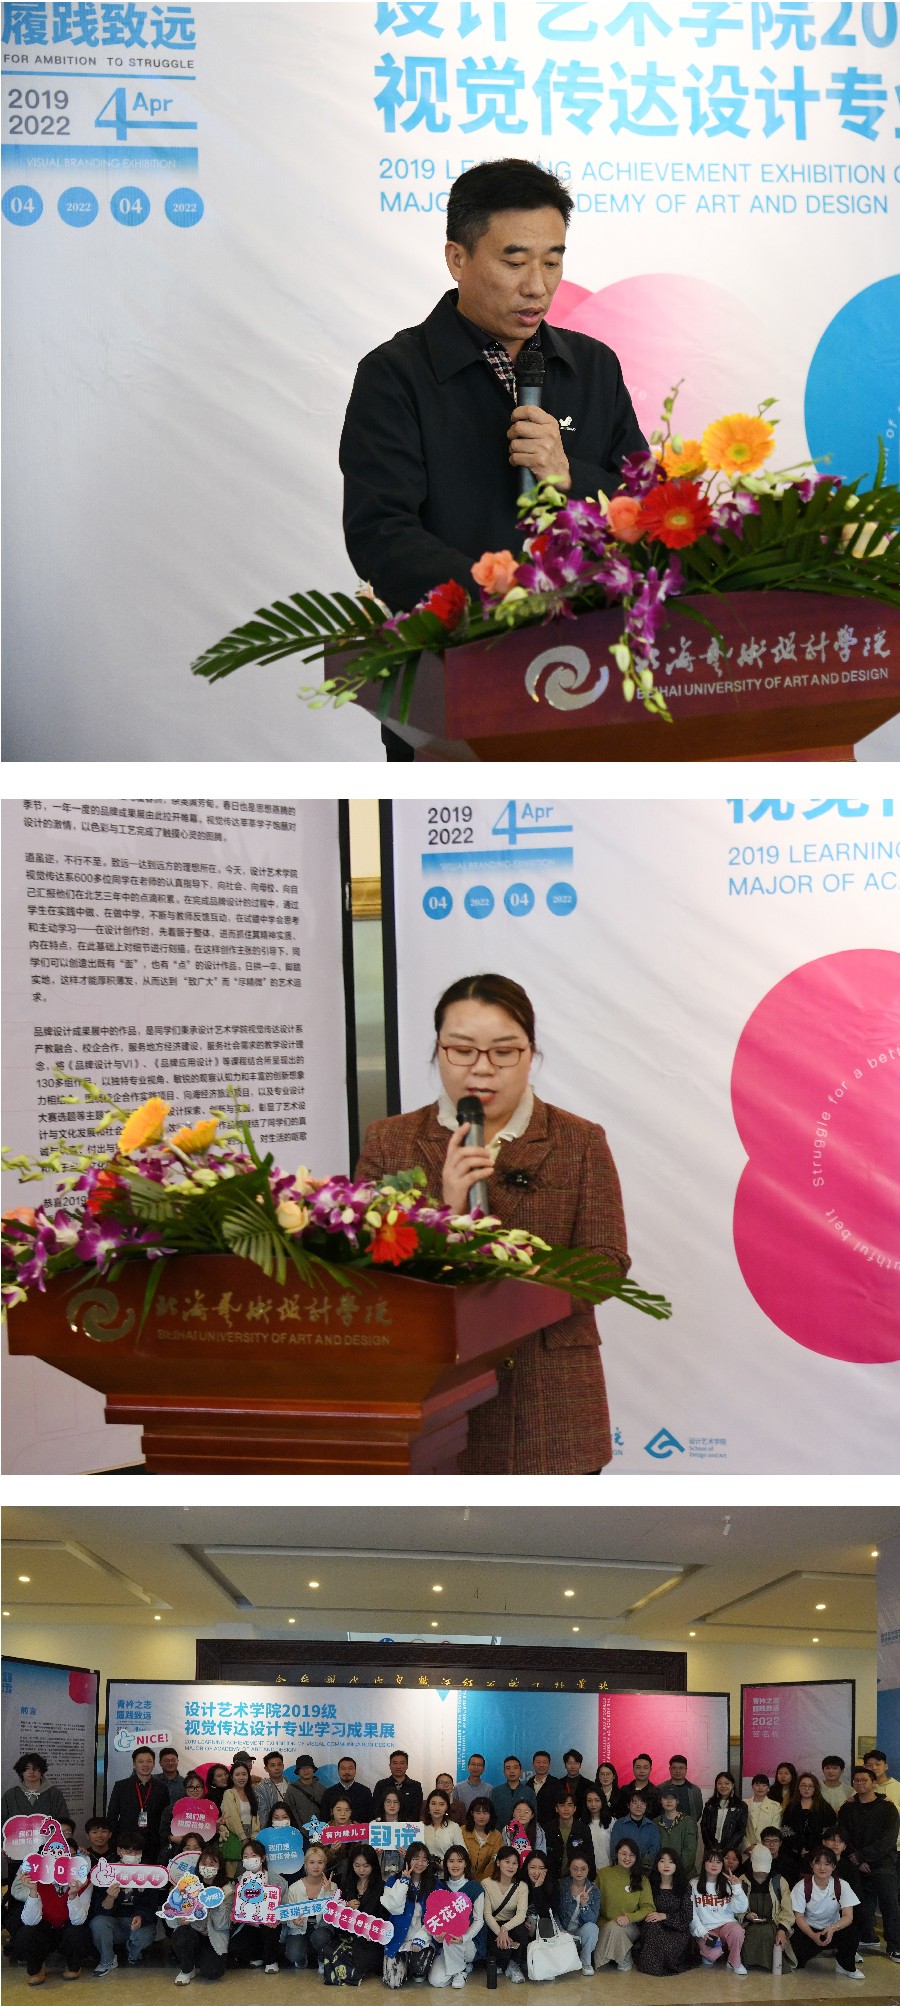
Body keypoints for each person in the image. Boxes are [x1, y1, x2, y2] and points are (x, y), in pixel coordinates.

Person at [340, 159, 645, 621]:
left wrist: (569, 476)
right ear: (457, 259)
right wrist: (505, 596)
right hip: (462, 640)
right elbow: (381, 536)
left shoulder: (594, 366)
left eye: (552, 262)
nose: (537, 286)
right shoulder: (395, 375)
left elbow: (647, 506)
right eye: (515, 263)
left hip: (591, 630)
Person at [356, 972, 630, 1473]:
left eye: (503, 1052)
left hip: (549, 1399)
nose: (481, 1069)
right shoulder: (389, 1141)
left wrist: (524, 1278)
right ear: (437, 1051)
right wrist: (446, 1210)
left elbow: (607, 1263)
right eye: (462, 1050)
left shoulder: (579, 1140)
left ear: (531, 1053)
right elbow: (370, 1264)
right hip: (432, 1394)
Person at [838, 1764, 900, 1960]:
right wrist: (857, 1858)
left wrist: (865, 1857)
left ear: (874, 1783)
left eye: (864, 1780)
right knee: (860, 1905)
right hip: (856, 1863)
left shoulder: (888, 1808)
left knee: (890, 1904)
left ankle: (895, 1945)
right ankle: (866, 1937)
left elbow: (888, 1839)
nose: (860, 1783)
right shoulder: (847, 1808)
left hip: (883, 1863)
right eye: (856, 1781)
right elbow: (844, 1836)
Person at [11, 1844, 92, 1983]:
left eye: (70, 1856)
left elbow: (78, 1920)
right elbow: (30, 1921)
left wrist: (73, 1894)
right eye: (55, 1857)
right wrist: (33, 1891)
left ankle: (73, 1965)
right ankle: (37, 1968)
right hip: (45, 1928)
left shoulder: (84, 1882)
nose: (63, 1861)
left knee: (78, 1931)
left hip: (68, 1927)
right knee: (26, 1932)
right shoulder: (37, 1879)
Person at [88, 1827, 160, 1975]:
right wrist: (110, 1897)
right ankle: (107, 1960)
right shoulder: (106, 1871)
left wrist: (140, 1916)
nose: (133, 1856)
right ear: (119, 1851)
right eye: (128, 1852)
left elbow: (150, 1905)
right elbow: (99, 1909)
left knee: (144, 1935)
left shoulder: (149, 1872)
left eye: (137, 1852)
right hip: (114, 1922)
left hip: (137, 1923)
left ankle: (133, 1953)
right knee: (98, 1923)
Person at [790, 1843, 863, 1979]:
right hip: (809, 1930)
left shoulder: (842, 1885)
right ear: (811, 1865)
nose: (822, 1868)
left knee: (852, 1931)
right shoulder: (801, 1887)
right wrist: (813, 1935)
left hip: (833, 1929)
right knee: (797, 1962)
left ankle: (845, 1965)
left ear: (833, 1866)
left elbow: (848, 1916)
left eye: (827, 1864)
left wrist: (832, 1928)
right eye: (818, 1863)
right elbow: (798, 1917)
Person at [167, 1844, 233, 1985]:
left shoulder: (227, 1889)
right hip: (192, 1933)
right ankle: (187, 1969)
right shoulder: (188, 1885)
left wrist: (218, 1902)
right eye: (203, 1863)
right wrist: (179, 1918)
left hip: (214, 1937)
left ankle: (200, 1961)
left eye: (212, 1864)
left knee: (212, 1973)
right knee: (181, 1934)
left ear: (220, 1867)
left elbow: (223, 1925)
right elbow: (170, 1921)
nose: (207, 1867)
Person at [381, 1840, 440, 1988]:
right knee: (393, 1982)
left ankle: (414, 1966)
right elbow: (393, 1908)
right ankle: (404, 1964)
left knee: (419, 1969)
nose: (419, 1863)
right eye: (415, 1858)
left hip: (423, 1936)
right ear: (407, 1859)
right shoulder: (394, 1880)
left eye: (424, 1859)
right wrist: (403, 1883)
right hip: (398, 1937)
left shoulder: (435, 1884)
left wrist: (422, 1938)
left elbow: (438, 1916)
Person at [326, 1845, 387, 1983]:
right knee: (328, 1950)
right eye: (357, 1865)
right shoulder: (345, 1884)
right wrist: (346, 1906)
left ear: (373, 1865)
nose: (361, 1870)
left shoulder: (381, 1887)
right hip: (348, 1935)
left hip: (370, 1938)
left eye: (366, 1866)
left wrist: (374, 1931)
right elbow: (334, 1912)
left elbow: (384, 1916)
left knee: (363, 1960)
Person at [428, 1844, 485, 1990]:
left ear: (466, 1864)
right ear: (445, 1864)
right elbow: (434, 1918)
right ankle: (460, 1966)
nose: (455, 1865)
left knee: (452, 1937)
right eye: (451, 1861)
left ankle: (461, 1970)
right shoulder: (440, 1887)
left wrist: (464, 1937)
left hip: (468, 1943)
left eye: (460, 1861)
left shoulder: (475, 1887)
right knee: (436, 1981)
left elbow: (479, 1920)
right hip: (446, 1944)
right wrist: (436, 1935)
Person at [689, 1842, 749, 1975]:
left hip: (726, 1925)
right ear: (704, 1864)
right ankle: (708, 1954)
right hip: (707, 1929)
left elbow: (741, 1908)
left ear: (722, 1865)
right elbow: (691, 1913)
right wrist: (702, 1932)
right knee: (712, 1956)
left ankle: (734, 1961)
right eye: (710, 1861)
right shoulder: (694, 1884)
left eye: (718, 1862)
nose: (714, 1865)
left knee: (738, 1931)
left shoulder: (728, 1884)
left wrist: (737, 1887)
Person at [633, 1847, 694, 1976]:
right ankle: (651, 1965)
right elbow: (643, 1907)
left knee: (669, 1944)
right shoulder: (649, 1884)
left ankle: (666, 1965)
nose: (666, 1865)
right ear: (656, 1864)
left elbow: (687, 1916)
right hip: (654, 1925)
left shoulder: (684, 1887)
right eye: (662, 1861)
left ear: (676, 1865)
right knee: (653, 1931)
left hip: (677, 1927)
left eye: (671, 1862)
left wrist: (665, 1916)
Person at [596, 1837, 653, 1973]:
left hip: (630, 1926)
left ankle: (622, 1957)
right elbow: (594, 1900)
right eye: (623, 1853)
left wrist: (629, 1918)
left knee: (616, 1928)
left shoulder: (642, 1879)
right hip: (604, 1924)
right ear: (616, 1853)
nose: (627, 1858)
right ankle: (623, 1953)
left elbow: (648, 1907)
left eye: (631, 1855)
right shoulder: (603, 1874)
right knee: (612, 1926)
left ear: (636, 1858)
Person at [228, 1837, 285, 1975]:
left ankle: (270, 1961)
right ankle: (257, 1955)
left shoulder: (278, 1881)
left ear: (263, 1858)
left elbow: (285, 1907)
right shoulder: (239, 1881)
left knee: (268, 1929)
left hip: (270, 1925)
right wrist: (233, 1913)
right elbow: (233, 1906)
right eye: (246, 1856)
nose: (249, 1859)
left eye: (254, 1855)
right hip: (249, 1924)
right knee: (235, 1947)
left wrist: (276, 1917)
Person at [738, 1841, 797, 1973]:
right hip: (749, 1924)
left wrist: (782, 1930)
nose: (761, 1873)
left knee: (769, 1935)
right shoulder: (742, 1880)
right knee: (748, 1935)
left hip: (773, 1924)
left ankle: (770, 1963)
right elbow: (735, 1907)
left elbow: (787, 1910)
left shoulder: (779, 1881)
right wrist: (746, 1915)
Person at [105, 1746, 169, 1862]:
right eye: (141, 1761)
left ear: (154, 1764)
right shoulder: (121, 1786)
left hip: (153, 1844)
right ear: (134, 1764)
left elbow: (165, 1817)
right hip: (127, 1844)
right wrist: (114, 1841)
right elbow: (112, 1815)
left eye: (149, 1761)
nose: (145, 1765)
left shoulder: (162, 1788)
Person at [283, 1841, 339, 1973]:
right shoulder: (294, 1887)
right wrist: (293, 1921)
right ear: (305, 1864)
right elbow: (287, 1914)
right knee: (293, 1955)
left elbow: (333, 1915)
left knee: (321, 1937)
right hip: (299, 1928)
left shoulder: (332, 1886)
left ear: (325, 1865)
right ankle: (302, 1958)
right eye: (312, 1862)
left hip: (321, 1928)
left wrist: (328, 1892)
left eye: (320, 1862)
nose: (316, 1866)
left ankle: (322, 1958)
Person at [481, 1846, 529, 1983]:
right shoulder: (486, 1883)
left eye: (514, 1863)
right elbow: (487, 1914)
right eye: (507, 1862)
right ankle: (500, 1962)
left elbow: (521, 1914)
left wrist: (505, 1929)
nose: (511, 1866)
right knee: (501, 1949)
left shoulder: (522, 1886)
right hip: (493, 1925)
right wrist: (500, 1932)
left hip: (511, 1924)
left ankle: (513, 1965)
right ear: (498, 1862)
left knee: (522, 1933)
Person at [556, 1851, 599, 1974]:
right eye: (575, 1869)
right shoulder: (561, 1885)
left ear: (588, 1869)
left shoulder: (594, 1890)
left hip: (579, 1934)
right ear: (569, 1869)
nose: (579, 1872)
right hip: (562, 1932)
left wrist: (584, 1905)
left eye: (583, 1869)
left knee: (592, 1928)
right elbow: (553, 1911)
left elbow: (593, 1920)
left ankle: (585, 1962)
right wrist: (560, 1929)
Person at [2, 1753, 71, 1829]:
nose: (31, 1772)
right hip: (17, 1836)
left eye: (35, 1768)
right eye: (27, 1768)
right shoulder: (10, 1795)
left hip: (49, 1836)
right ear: (21, 1772)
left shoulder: (54, 1793)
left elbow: (64, 1820)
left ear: (41, 1771)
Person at [217, 1761, 259, 1879]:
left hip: (252, 1835)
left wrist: (254, 1837)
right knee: (237, 1872)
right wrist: (243, 1837)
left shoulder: (251, 1793)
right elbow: (232, 1818)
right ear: (232, 1777)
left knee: (252, 1873)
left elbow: (256, 1817)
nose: (241, 1777)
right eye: (237, 1774)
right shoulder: (229, 1793)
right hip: (236, 1835)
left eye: (244, 1774)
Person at [158, 1771, 212, 1863]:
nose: (195, 1790)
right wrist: (173, 1838)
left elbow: (211, 1837)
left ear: (203, 1789)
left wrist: (216, 1826)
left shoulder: (209, 1809)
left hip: (201, 1856)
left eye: (198, 1787)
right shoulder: (172, 1809)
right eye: (191, 1787)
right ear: (185, 1789)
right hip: (176, 1854)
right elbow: (163, 1831)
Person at [609, 1791, 661, 1874]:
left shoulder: (652, 1826)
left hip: (645, 1871)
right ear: (628, 1805)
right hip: (622, 1870)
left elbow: (654, 1851)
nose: (639, 1806)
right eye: (635, 1802)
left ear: (646, 1805)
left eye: (642, 1803)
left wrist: (641, 1866)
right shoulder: (619, 1824)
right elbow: (614, 1849)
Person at [520, 1849, 558, 1961]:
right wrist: (523, 1922)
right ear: (526, 1867)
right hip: (524, 1923)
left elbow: (547, 1914)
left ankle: (546, 1960)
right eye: (533, 1867)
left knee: (545, 1923)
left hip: (544, 1925)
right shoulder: (520, 1883)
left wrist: (538, 1888)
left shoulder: (553, 1884)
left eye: (541, 1868)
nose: (537, 1872)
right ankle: (522, 1960)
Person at [544, 1793, 591, 1882]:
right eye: (562, 1805)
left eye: (570, 1805)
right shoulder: (548, 1829)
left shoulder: (583, 1829)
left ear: (575, 1808)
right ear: (556, 1808)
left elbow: (589, 1856)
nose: (566, 1809)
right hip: (551, 1879)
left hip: (575, 1880)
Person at [699, 1772, 748, 1857]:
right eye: (720, 1783)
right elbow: (704, 1826)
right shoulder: (710, 1804)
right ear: (716, 1785)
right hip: (711, 1848)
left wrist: (727, 1849)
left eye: (727, 1783)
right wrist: (710, 1847)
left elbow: (740, 1830)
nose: (723, 1786)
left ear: (732, 1785)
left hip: (731, 1850)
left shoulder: (741, 1806)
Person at [782, 1771, 828, 1860]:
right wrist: (799, 1848)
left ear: (815, 1788)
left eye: (810, 1786)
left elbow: (828, 1831)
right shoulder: (791, 1807)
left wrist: (816, 1849)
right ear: (798, 1788)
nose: (806, 1789)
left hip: (819, 1854)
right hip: (793, 1853)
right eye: (803, 1785)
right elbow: (786, 1830)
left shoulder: (824, 1807)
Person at [655, 1786, 698, 1873]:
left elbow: (690, 1851)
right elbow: (653, 1850)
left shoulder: (688, 1821)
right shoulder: (655, 1822)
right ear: (660, 1800)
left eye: (672, 1798)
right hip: (661, 1873)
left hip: (684, 1873)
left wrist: (677, 1869)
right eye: (665, 1798)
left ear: (677, 1801)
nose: (669, 1801)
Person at [321, 1757, 374, 1825]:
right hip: (335, 1831)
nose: (347, 1772)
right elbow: (324, 1818)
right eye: (343, 1768)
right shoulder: (329, 1792)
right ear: (338, 1771)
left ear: (355, 1771)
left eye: (350, 1768)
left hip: (359, 1831)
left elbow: (370, 1818)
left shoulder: (365, 1791)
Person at [462, 1797, 504, 1883]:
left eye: (485, 1813)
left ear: (491, 1814)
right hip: (463, 1879)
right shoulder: (462, 1831)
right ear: (471, 1813)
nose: (481, 1817)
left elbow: (495, 1862)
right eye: (478, 1813)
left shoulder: (497, 1836)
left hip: (488, 1881)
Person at [372, 1751, 424, 1821]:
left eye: (402, 1763)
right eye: (395, 1763)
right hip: (385, 1824)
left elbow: (416, 1810)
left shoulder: (415, 1786)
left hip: (409, 1825)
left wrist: (404, 1824)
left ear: (407, 1766)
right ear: (390, 1766)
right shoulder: (381, 1785)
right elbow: (377, 1808)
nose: (398, 1767)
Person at [490, 1759, 536, 1830]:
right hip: (499, 1833)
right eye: (508, 1768)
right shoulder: (496, 1792)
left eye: (515, 1767)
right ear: (504, 1772)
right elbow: (492, 1816)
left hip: (524, 1834)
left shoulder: (529, 1792)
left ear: (521, 1771)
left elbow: (534, 1816)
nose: (512, 1771)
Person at [742, 1774, 782, 1855]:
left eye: (764, 1785)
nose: (760, 1788)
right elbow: (740, 1829)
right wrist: (748, 1846)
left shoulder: (775, 1806)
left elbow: (775, 1829)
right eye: (757, 1785)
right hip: (748, 1850)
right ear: (752, 1786)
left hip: (768, 1850)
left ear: (768, 1788)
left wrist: (762, 1847)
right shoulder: (744, 1804)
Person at [421, 1791, 465, 1863]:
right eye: (433, 1804)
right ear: (428, 1806)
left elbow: (462, 1853)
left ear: (447, 1807)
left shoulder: (454, 1827)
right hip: (423, 1868)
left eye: (441, 1804)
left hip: (446, 1869)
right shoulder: (419, 1826)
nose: (437, 1808)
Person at [613, 1756, 660, 1821]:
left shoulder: (656, 1793)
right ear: (633, 1769)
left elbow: (658, 1817)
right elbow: (619, 1814)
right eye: (638, 1767)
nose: (642, 1771)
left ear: (650, 1770)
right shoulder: (624, 1791)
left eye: (645, 1768)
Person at [284, 1757, 325, 1831]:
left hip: (321, 1831)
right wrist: (300, 1831)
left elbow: (326, 1811)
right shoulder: (292, 1790)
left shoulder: (322, 1788)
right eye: (302, 1768)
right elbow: (289, 1813)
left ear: (313, 1769)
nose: (305, 1770)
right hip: (299, 1832)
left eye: (308, 1767)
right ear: (298, 1771)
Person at [255, 1752, 291, 1829]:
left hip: (290, 1828)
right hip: (272, 1829)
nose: (277, 1768)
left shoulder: (291, 1785)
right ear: (266, 1769)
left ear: (283, 1766)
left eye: (279, 1764)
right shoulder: (261, 1789)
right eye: (273, 1765)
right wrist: (267, 1832)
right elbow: (263, 1814)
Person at [665, 1756, 703, 1824]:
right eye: (674, 1768)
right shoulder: (661, 1788)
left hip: (689, 1828)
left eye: (681, 1768)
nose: (678, 1771)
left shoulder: (695, 1790)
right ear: (669, 1769)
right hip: (666, 1828)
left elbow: (698, 1813)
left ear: (686, 1769)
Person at [583, 1789, 612, 1876]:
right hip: (588, 1869)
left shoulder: (612, 1822)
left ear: (602, 1801)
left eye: (597, 1800)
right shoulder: (581, 1823)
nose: (593, 1804)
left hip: (608, 1867)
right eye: (589, 1801)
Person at [559, 1752, 590, 1819]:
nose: (573, 1766)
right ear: (565, 1765)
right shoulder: (558, 1784)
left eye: (576, 1763)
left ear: (580, 1765)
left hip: (583, 1821)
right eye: (569, 1763)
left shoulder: (589, 1785)